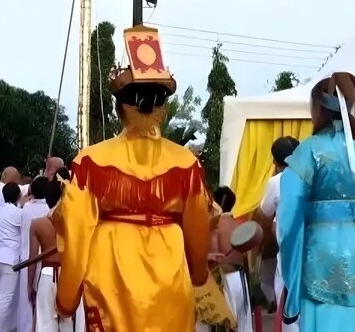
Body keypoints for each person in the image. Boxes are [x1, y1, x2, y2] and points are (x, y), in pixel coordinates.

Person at [52, 58, 211, 332]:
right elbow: (198, 231)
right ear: (163, 108)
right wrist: (198, 275)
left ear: (118, 109)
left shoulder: (90, 161)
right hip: (169, 276)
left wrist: (67, 298)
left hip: (111, 274)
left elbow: (77, 234)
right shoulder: (186, 162)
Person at [277, 71, 355, 332]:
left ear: (318, 109)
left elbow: (289, 223)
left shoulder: (308, 152)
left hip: (323, 263)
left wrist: (292, 286)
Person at [255, 135, 299, 320]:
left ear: (274, 161)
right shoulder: (314, 177)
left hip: (288, 258)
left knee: (288, 314)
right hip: (315, 255)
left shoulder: (277, 181)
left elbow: (262, 219)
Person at [28, 181, 80, 332]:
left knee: (45, 324)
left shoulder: (37, 224)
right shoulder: (74, 224)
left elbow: (32, 258)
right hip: (67, 275)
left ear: (46, 198)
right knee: (67, 324)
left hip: (46, 275)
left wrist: (29, 285)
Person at [210, 186, 254, 332]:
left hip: (220, 280)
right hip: (238, 279)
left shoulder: (211, 225)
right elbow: (246, 260)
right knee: (240, 325)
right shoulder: (238, 225)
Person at [17, 176, 52, 332]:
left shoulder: (25, 208)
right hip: (41, 257)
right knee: (40, 302)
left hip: (25, 255)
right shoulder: (47, 210)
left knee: (25, 300)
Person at [0, 182, 24, 332]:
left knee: (5, 296)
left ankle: (7, 327)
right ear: (18, 196)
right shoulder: (17, 213)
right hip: (10, 260)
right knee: (7, 297)